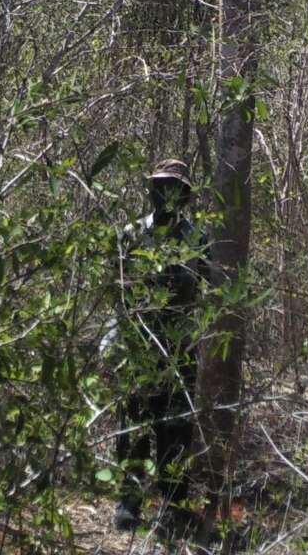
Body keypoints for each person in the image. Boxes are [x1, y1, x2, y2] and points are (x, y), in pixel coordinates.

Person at [108, 157, 206, 535]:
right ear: (151, 191)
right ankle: (128, 504)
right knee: (132, 429)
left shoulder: (197, 239)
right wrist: (115, 342)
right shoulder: (131, 235)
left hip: (179, 351)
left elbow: (204, 290)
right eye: (160, 186)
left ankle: (174, 508)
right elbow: (120, 294)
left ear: (182, 196)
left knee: (175, 432)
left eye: (173, 188)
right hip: (138, 349)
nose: (165, 194)